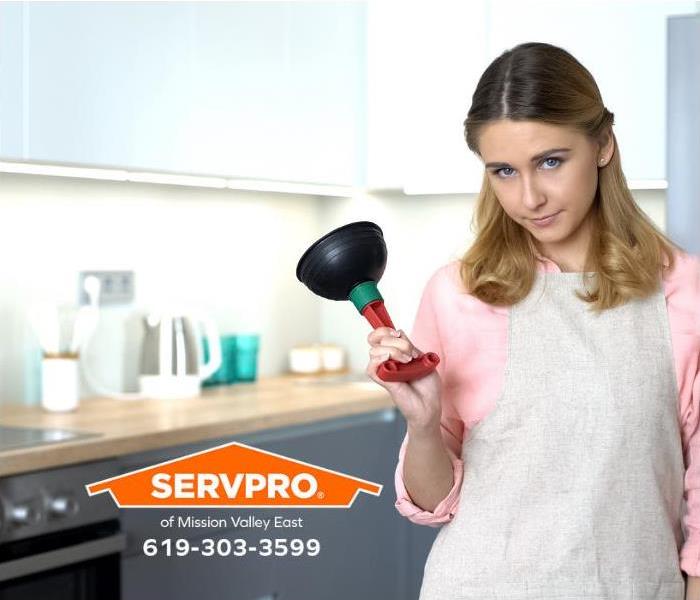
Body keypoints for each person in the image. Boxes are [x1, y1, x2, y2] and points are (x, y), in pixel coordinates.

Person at [366, 42, 700, 600]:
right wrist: (423, 426)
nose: (529, 198)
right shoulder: (457, 293)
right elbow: (431, 504)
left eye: (551, 161)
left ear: (602, 146)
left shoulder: (680, 287)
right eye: (503, 171)